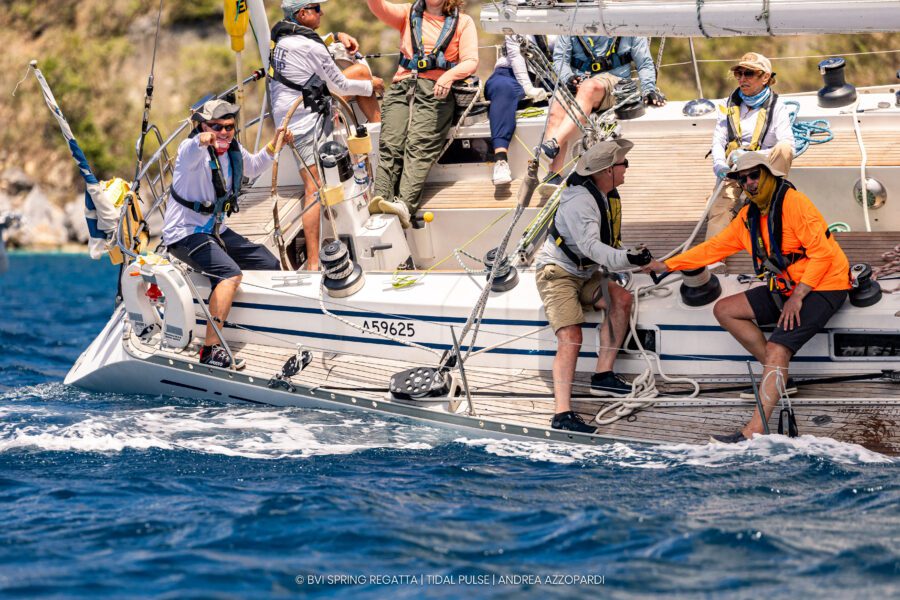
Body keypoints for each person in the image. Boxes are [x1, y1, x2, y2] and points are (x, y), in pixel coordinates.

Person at [647, 153, 850, 443]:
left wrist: (799, 296)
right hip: (787, 286)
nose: (750, 183)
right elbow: (714, 248)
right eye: (743, 179)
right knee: (725, 309)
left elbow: (824, 254)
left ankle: (753, 430)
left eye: (755, 175)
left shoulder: (795, 203)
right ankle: (779, 379)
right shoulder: (748, 217)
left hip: (825, 284)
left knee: (779, 348)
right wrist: (666, 265)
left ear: (768, 175)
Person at [534, 139, 664, 433]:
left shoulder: (604, 194)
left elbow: (605, 248)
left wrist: (637, 257)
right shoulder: (581, 202)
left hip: (586, 273)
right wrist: (629, 258)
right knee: (571, 336)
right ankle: (562, 414)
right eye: (623, 164)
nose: (627, 169)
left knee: (622, 299)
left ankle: (602, 376)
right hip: (557, 272)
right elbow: (593, 247)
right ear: (606, 171)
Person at [162, 99, 293, 369]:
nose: (223, 133)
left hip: (214, 229)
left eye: (229, 127)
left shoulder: (232, 149)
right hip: (184, 233)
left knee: (269, 264)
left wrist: (274, 145)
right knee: (229, 273)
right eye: (216, 127)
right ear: (201, 126)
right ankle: (210, 350)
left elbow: (254, 166)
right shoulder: (191, 152)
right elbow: (192, 147)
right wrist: (203, 138)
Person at [270, 0, 385, 270]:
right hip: (302, 121)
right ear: (302, 14)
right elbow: (339, 84)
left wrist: (337, 37)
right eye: (317, 8)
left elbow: (314, 48)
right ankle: (312, 263)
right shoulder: (309, 45)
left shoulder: (284, 36)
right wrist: (374, 85)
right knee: (312, 189)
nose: (322, 12)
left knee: (359, 72)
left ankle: (380, 134)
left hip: (290, 111)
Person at [366, 0, 478, 228]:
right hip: (402, 87)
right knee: (391, 143)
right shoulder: (407, 13)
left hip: (435, 90)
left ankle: (404, 204)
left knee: (419, 146)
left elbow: (470, 61)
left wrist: (448, 76)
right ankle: (381, 199)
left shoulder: (463, 22)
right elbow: (378, 7)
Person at [540, 36, 665, 185]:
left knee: (589, 87)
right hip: (578, 81)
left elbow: (644, 63)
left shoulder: (628, 22)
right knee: (556, 107)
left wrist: (648, 90)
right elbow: (560, 60)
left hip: (615, 83)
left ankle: (554, 144)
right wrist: (568, 78)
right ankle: (554, 174)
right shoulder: (572, 22)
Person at [707, 52, 795, 240]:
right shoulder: (727, 105)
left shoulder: (778, 106)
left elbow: (788, 144)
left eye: (749, 74)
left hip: (762, 167)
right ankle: (712, 262)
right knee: (718, 211)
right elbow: (718, 140)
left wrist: (753, 157)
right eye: (739, 74)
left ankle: (767, 200)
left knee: (784, 149)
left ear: (765, 78)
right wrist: (720, 165)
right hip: (734, 168)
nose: (742, 79)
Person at [484, 35, 554, 185]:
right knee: (503, 89)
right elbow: (516, 57)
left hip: (542, 77)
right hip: (508, 74)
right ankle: (500, 161)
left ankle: (555, 167)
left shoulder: (560, 23)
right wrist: (528, 88)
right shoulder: (516, 21)